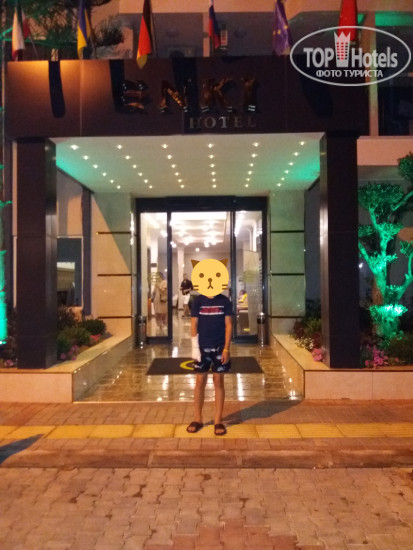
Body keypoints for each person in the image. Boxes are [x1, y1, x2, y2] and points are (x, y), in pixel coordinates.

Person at [187, 278, 232, 437]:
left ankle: (218, 420)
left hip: (220, 347)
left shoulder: (224, 301)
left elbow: (229, 325)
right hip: (202, 348)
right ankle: (198, 419)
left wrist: (226, 349)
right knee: (200, 381)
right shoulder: (198, 301)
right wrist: (195, 348)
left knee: (218, 381)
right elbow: (193, 325)